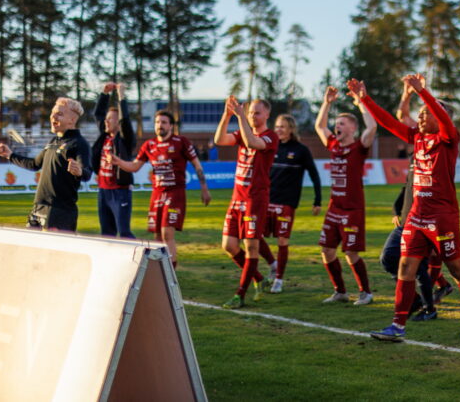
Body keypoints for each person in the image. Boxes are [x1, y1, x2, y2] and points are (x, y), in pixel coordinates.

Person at [360, 74, 460, 341]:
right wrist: (365, 99)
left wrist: (423, 92)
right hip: (416, 216)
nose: (419, 117)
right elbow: (389, 122)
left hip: (442, 217)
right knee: (405, 267)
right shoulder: (417, 137)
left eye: (425, 113)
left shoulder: (449, 137)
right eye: (419, 113)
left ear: (441, 117)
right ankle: (397, 325)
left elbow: (443, 120)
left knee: (456, 269)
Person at [111, 110, 211, 268]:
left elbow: (197, 165)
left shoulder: (181, 142)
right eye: (157, 122)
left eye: (164, 122)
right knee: (157, 237)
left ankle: (171, 273)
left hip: (175, 193)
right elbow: (135, 166)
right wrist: (118, 162)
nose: (160, 125)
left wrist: (204, 188)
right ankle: (161, 272)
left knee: (167, 233)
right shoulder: (149, 145)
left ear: (171, 126)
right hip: (157, 194)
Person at [314, 84, 377, 305]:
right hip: (334, 207)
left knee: (351, 253)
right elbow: (319, 126)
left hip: (352, 209)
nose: (336, 126)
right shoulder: (333, 145)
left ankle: (366, 293)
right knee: (326, 250)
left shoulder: (359, 147)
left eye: (341, 124)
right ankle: (340, 291)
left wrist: (361, 103)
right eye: (336, 123)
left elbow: (372, 127)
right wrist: (326, 103)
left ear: (352, 128)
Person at [214, 97, 280, 308]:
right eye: (250, 112)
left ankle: (240, 294)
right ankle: (259, 278)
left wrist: (241, 116)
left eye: (257, 113)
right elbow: (219, 139)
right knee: (229, 245)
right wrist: (227, 115)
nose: (253, 116)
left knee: (251, 246)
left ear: (267, 115)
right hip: (237, 198)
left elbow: (252, 142)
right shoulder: (242, 132)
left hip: (255, 199)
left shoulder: (271, 137)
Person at [0, 97, 92, 231]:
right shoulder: (53, 141)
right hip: (39, 206)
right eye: (53, 113)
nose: (53, 116)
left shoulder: (79, 143)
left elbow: (87, 173)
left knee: (54, 246)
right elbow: (34, 164)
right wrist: (10, 155)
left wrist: (80, 171)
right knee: (31, 244)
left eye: (59, 114)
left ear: (72, 120)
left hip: (60, 211)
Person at [265, 113, 322, 293]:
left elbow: (314, 175)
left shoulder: (301, 150)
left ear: (291, 129)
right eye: (277, 126)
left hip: (287, 203)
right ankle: (272, 264)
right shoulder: (270, 147)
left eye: (282, 126)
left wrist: (317, 200)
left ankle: (279, 279)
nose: (278, 130)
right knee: (254, 236)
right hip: (266, 200)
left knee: (282, 241)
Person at [92, 82, 137, 238]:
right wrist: (104, 94)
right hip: (103, 191)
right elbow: (98, 114)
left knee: (124, 232)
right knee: (106, 233)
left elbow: (126, 120)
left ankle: (138, 254)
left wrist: (121, 96)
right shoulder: (104, 136)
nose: (106, 121)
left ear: (118, 123)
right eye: (107, 119)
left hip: (120, 191)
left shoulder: (125, 140)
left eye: (110, 119)